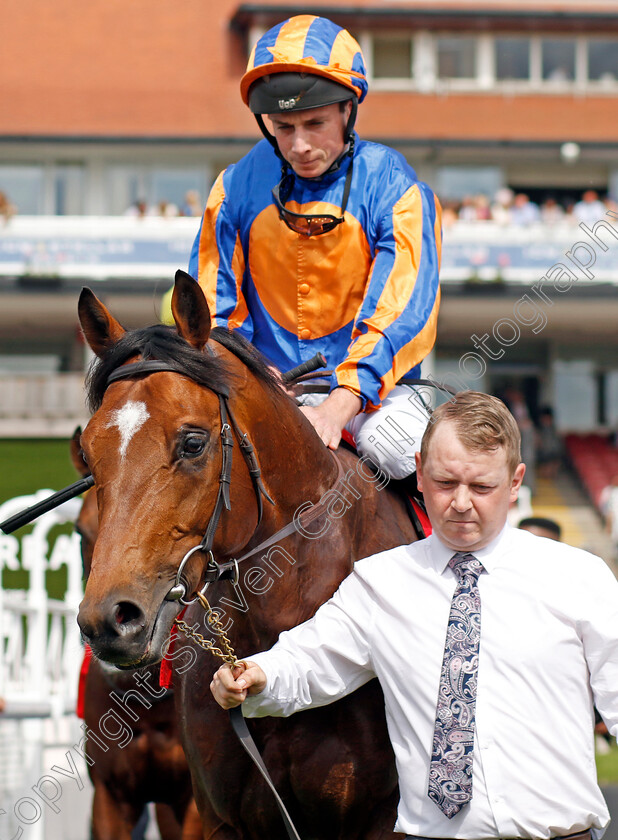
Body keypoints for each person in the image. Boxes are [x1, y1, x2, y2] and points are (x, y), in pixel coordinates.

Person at [211, 390, 618, 839]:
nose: (461, 503)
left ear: (516, 481)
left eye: (482, 487)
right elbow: (309, 659)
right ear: (420, 474)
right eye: (445, 483)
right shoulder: (381, 582)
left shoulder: (580, 577)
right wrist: (255, 675)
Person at [184, 15, 442, 479]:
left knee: (404, 453)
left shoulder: (394, 185)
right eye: (283, 127)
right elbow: (213, 311)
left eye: (315, 123)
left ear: (347, 109)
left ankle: (443, 553)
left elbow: (402, 312)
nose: (300, 145)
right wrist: (257, 380)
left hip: (374, 398)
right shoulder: (234, 188)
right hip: (261, 385)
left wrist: (339, 406)